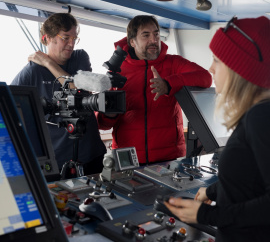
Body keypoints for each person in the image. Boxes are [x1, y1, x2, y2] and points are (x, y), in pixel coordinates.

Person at [164, 16, 270, 241]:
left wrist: (208, 215)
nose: (211, 68)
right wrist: (211, 192)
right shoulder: (258, 113)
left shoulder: (260, 117)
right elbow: (251, 180)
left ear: (238, 69)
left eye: (217, 60)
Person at [96, 15, 212, 164]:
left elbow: (205, 78)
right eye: (146, 35)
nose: (154, 40)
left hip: (169, 157)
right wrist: (110, 114)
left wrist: (169, 84)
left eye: (156, 34)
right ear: (132, 42)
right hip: (128, 160)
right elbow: (103, 124)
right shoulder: (116, 71)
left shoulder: (173, 63)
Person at [11, 13, 106, 175]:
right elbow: (10, 108)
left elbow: (79, 89)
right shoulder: (31, 72)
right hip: (56, 158)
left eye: (74, 38)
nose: (71, 44)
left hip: (90, 153)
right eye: (65, 38)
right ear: (47, 38)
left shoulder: (80, 57)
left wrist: (48, 63)